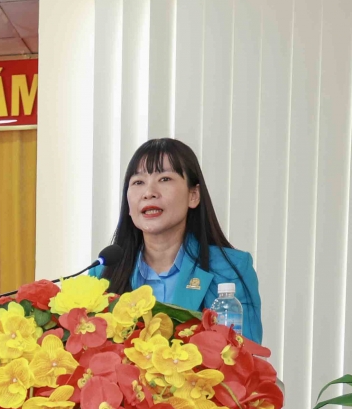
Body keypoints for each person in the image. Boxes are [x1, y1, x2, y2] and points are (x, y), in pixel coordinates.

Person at [92, 137, 262, 343]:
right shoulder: (101, 275)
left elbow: (246, 357)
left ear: (193, 195)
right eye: (138, 182)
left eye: (164, 179)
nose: (149, 193)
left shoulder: (230, 269)